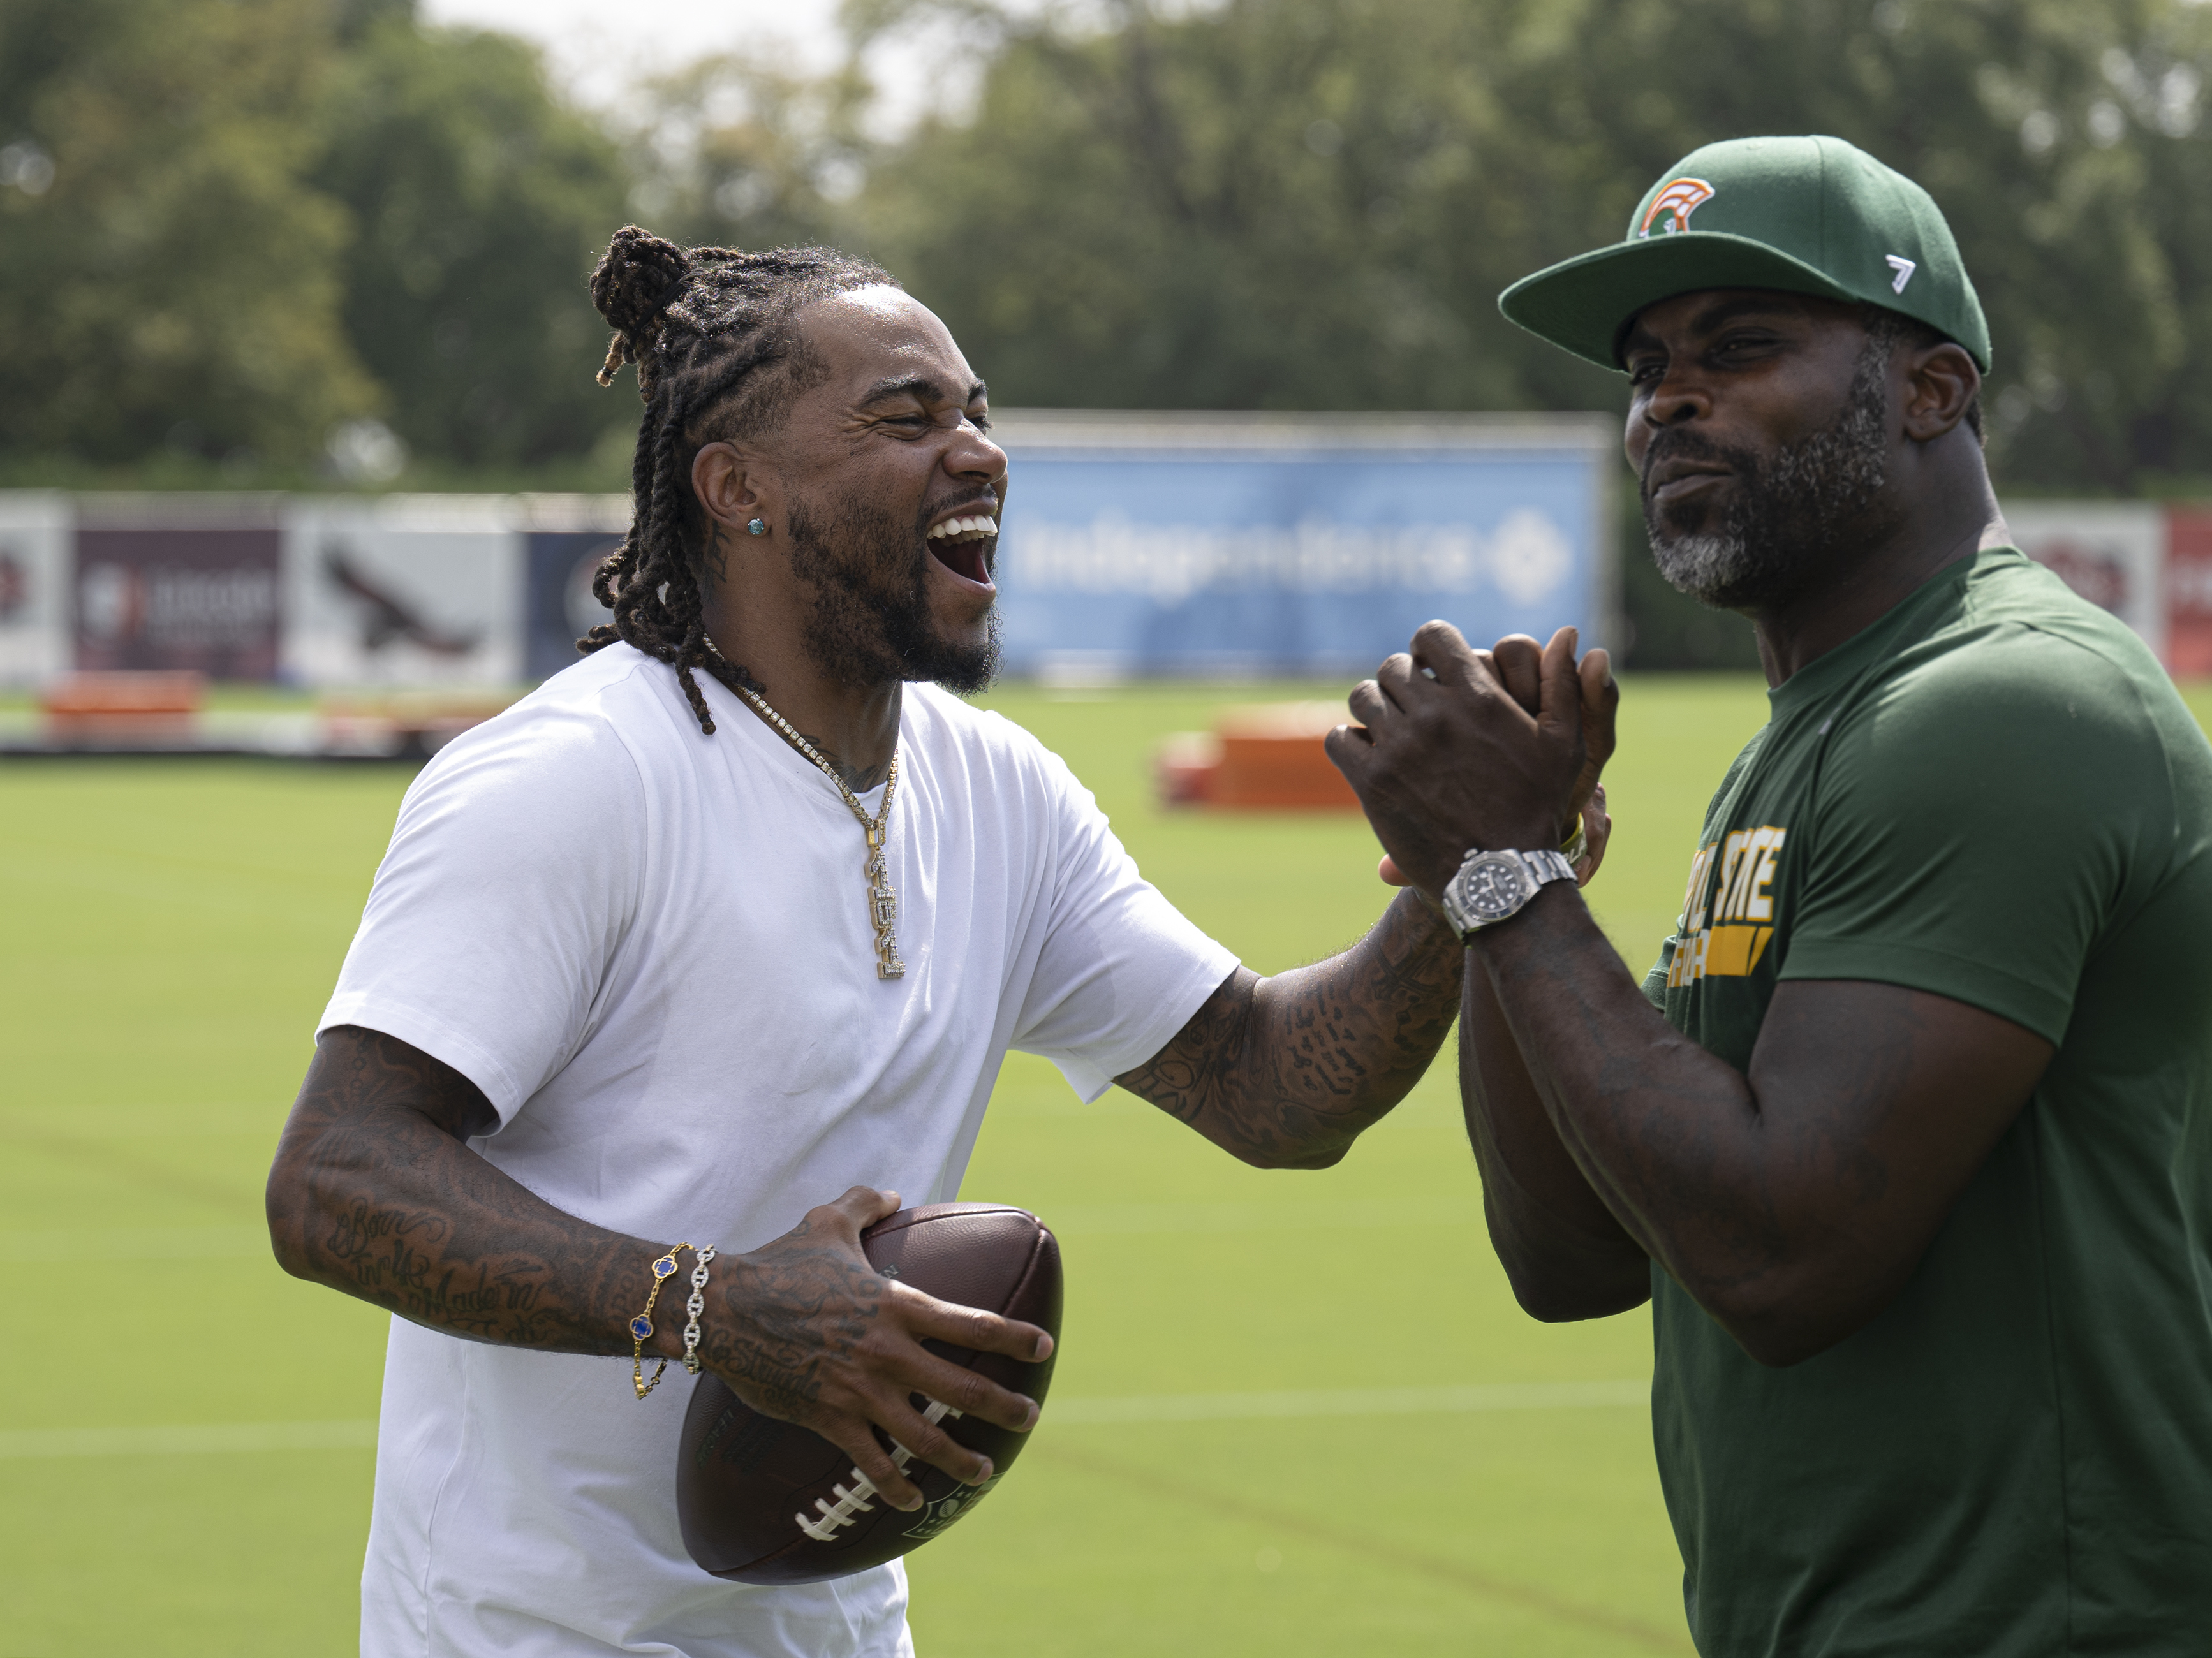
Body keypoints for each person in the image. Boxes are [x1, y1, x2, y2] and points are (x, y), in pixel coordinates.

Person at [263, 226, 1540, 1657]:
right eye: (907, 417)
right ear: (738, 488)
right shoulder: (575, 777)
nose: (978, 451)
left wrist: (1467, 876)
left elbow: (1272, 1086)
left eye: (979, 413)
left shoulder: (1004, 793)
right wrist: (718, 1308)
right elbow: (335, 1180)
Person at [1325, 136, 2212, 1656]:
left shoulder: (2005, 704)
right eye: (1647, 365)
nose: (1668, 400)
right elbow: (1572, 1258)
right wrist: (1502, 873)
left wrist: (1517, 881)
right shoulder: (1811, 741)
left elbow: (1783, 1259)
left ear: (1933, 389)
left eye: (1742, 346)